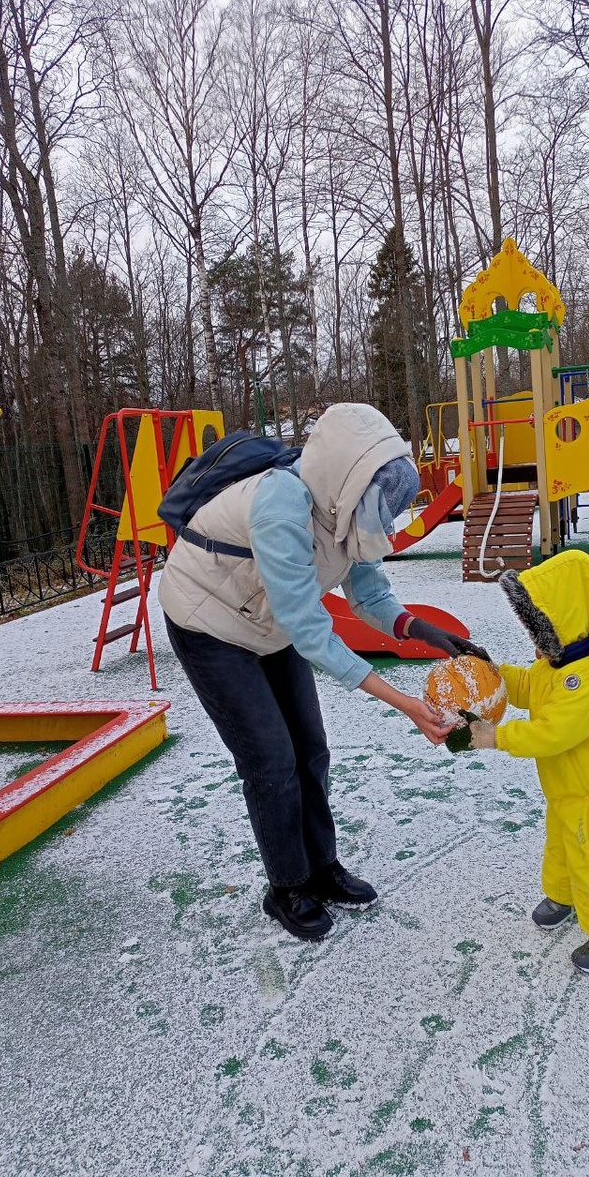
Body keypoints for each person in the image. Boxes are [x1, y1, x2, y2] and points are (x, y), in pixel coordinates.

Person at [158, 403, 488, 942]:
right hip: (209, 624)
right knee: (270, 759)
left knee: (310, 748)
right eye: (380, 506)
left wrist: (422, 630)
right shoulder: (280, 505)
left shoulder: (350, 507)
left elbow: (369, 595)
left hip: (270, 623)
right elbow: (312, 631)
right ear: (347, 480)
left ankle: (322, 868)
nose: (383, 519)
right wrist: (407, 705)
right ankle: (287, 886)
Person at [454, 550, 589, 976]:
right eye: (532, 628)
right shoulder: (556, 664)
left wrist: (493, 737)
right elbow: (528, 686)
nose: (535, 639)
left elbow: (553, 732)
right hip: (568, 789)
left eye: (540, 627)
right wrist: (492, 673)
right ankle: (564, 896)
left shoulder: (585, 677)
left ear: (562, 621)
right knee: (561, 844)